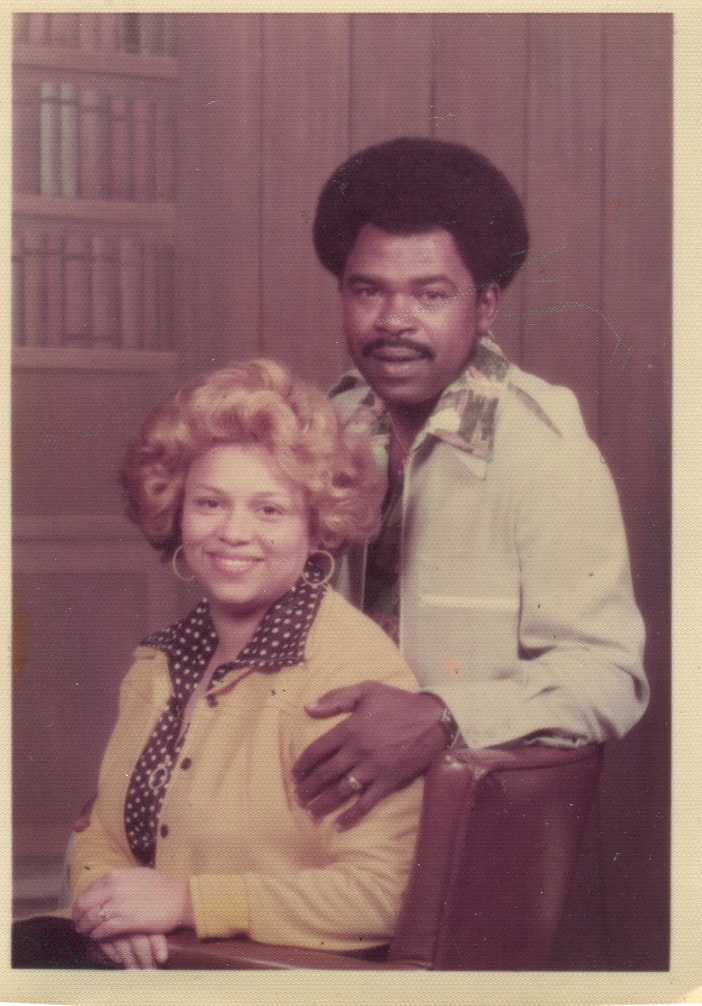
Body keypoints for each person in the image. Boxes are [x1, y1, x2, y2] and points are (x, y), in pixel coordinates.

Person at [12, 359, 422, 969]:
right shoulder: (160, 662)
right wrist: (112, 913)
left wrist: (186, 903)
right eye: (209, 503)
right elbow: (101, 835)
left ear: (317, 531)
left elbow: (384, 895)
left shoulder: (348, 670)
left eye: (269, 510)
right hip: (160, 964)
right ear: (177, 515)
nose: (233, 532)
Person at [292, 136, 649, 830]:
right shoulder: (319, 428)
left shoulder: (546, 453)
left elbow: (607, 674)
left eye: (431, 294)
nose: (393, 321)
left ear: (485, 306)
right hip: (305, 799)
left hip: (454, 826)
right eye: (368, 290)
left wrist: (444, 713)